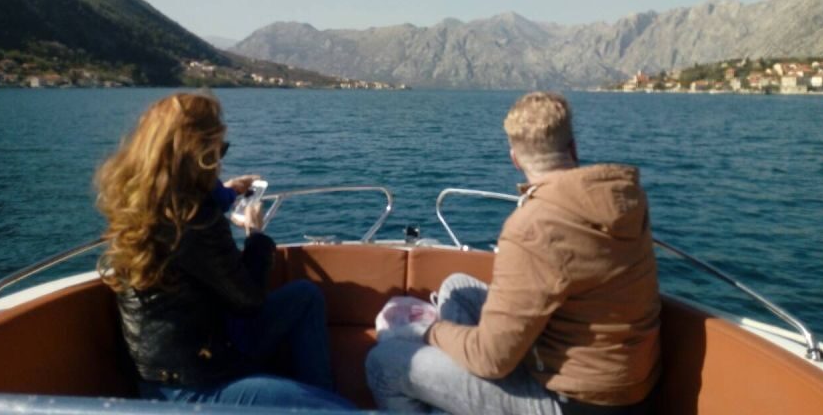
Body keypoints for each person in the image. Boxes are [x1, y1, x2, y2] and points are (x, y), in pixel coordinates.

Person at [366, 92, 661, 414]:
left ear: (515, 159)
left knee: (384, 363)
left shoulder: (532, 227)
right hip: (626, 387)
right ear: (573, 148)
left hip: (571, 402)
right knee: (457, 288)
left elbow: (490, 360)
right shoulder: (625, 199)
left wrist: (427, 332)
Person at [96, 92, 354, 410]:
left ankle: (315, 400)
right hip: (194, 386)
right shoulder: (195, 221)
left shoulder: (146, 200)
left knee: (304, 297)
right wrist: (255, 236)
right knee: (345, 412)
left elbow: (193, 199)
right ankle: (322, 405)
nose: (220, 158)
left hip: (179, 361)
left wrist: (226, 193)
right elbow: (249, 300)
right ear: (199, 152)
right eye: (219, 149)